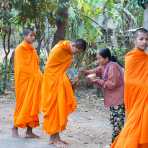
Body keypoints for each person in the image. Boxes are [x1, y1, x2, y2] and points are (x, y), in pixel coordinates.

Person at [41, 39, 87, 147]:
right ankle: (52, 138)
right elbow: (50, 68)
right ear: (75, 46)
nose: (76, 54)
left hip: (59, 82)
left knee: (59, 108)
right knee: (54, 110)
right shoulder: (59, 49)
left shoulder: (67, 51)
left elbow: (62, 69)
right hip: (52, 82)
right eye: (77, 51)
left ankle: (57, 137)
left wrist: (70, 79)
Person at [111, 28, 148, 148]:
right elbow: (130, 80)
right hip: (137, 96)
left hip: (144, 96)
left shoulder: (146, 58)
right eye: (141, 39)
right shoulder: (131, 57)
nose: (144, 42)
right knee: (133, 123)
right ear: (135, 41)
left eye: (147, 39)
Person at [85, 48, 125, 142]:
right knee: (115, 122)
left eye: (99, 59)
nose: (98, 61)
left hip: (118, 99)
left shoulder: (113, 66)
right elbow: (95, 71)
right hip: (113, 100)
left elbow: (112, 84)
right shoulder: (105, 65)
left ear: (106, 58)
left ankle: (117, 144)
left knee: (117, 125)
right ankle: (116, 144)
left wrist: (96, 80)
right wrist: (84, 72)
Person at [12, 28, 42, 138]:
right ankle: (14, 128)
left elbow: (36, 65)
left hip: (34, 82)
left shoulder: (33, 50)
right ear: (24, 36)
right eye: (30, 35)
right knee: (22, 105)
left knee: (33, 106)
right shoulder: (20, 49)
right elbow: (20, 68)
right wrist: (33, 75)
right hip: (23, 82)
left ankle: (29, 131)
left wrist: (38, 75)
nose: (33, 37)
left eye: (34, 36)